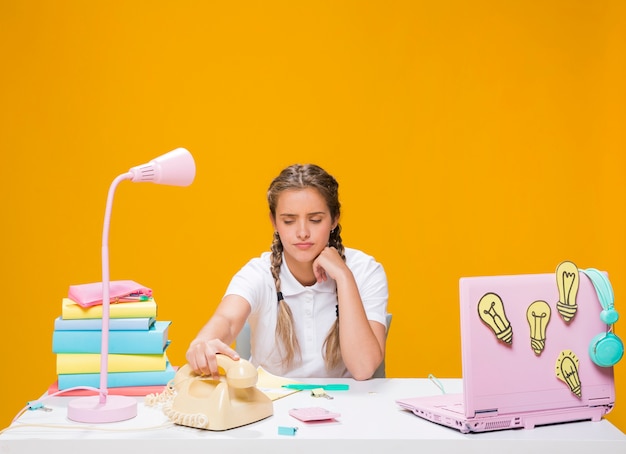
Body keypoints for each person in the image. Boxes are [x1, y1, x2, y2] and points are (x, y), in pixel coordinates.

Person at [185, 164, 388, 380]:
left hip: (346, 406)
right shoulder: (258, 273)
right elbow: (227, 319)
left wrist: (344, 278)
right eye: (289, 221)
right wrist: (202, 344)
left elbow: (364, 368)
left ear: (334, 219)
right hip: (270, 406)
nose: (302, 233)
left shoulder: (366, 270)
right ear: (274, 222)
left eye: (315, 220)